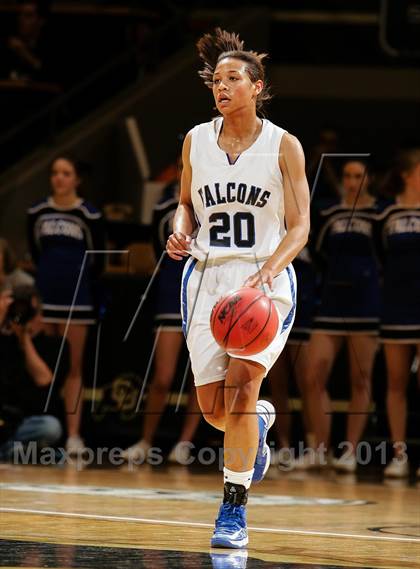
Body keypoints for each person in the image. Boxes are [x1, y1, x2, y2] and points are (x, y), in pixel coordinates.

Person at [166, 28, 310, 549]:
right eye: (216, 81)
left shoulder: (283, 144)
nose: (222, 87)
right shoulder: (195, 140)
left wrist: (270, 270)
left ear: (257, 86)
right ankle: (260, 428)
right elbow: (185, 200)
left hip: (263, 280)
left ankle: (233, 511)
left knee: (244, 389)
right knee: (215, 411)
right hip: (206, 279)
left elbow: (300, 227)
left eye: (233, 78)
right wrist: (179, 227)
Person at [301, 160, 380, 472]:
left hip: (366, 305)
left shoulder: (379, 213)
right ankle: (320, 449)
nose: (351, 181)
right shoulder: (329, 213)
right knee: (312, 377)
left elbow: (388, 256)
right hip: (331, 303)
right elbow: (317, 254)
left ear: (368, 178)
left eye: (358, 175)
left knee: (359, 380)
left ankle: (349, 451)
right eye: (347, 175)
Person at [121, 157, 202, 464]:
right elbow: (160, 251)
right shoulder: (161, 208)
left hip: (203, 290)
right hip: (170, 292)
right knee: (163, 376)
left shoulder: (210, 202)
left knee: (201, 376)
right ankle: (146, 441)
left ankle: (185, 443)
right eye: (182, 167)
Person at [27, 155, 105, 455]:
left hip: (77, 299)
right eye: (55, 173)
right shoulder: (37, 212)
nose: (59, 178)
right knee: (45, 363)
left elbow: (97, 259)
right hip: (45, 298)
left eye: (66, 173)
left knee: (73, 367)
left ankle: (73, 435)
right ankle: (44, 429)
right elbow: (35, 253)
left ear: (77, 179)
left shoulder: (89, 214)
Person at [378, 149, 420, 478]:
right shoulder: (386, 214)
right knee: (396, 383)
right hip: (395, 306)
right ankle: (399, 454)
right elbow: (378, 257)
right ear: (407, 174)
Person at [0, 285, 67, 461]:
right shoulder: (3, 339)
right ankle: (16, 453)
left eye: (31, 312)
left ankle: (10, 451)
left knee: (51, 427)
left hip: (22, 423)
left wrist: (24, 338)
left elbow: (44, 379)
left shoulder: (55, 345)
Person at [268, 244, 316, 468]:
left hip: (305, 306)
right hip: (272, 301)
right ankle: (284, 446)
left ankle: (314, 447)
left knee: (307, 382)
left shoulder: (307, 221)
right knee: (276, 381)